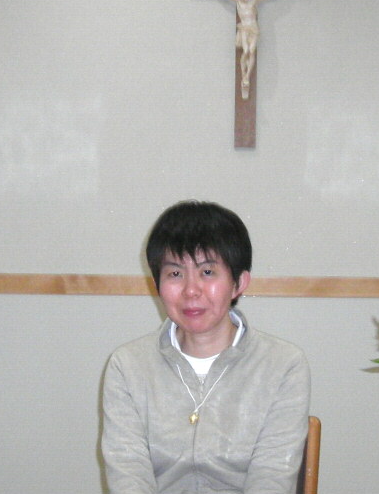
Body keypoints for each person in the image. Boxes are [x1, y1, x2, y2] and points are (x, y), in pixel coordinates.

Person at [101, 200, 311, 494]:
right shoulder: (128, 366)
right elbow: (128, 473)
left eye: (208, 272)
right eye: (175, 274)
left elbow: (272, 478)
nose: (191, 290)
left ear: (239, 282)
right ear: (157, 284)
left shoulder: (283, 365)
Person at [198, 0, 292, 99]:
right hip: (243, 28)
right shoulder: (237, 1)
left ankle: (247, 75)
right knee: (246, 51)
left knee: (252, 51)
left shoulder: (254, 0)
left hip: (253, 28)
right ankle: (244, 75)